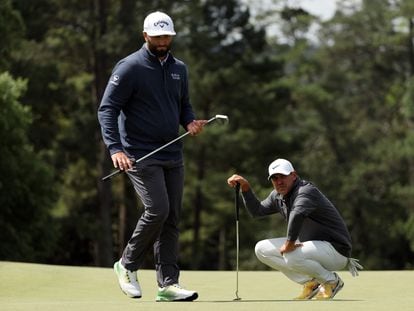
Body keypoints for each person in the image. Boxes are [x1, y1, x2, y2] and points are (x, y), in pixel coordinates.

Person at [97, 11, 207, 302]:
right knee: (158, 209)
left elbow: (184, 105)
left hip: (173, 152)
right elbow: (107, 109)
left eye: (166, 36)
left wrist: (190, 122)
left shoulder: (179, 69)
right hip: (139, 153)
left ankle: (168, 284)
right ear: (145, 36)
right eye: (157, 36)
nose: (162, 41)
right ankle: (127, 264)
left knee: (171, 217)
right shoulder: (130, 67)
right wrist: (115, 148)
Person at [227, 158, 362, 300]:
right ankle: (311, 283)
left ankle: (331, 281)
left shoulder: (306, 191)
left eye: (283, 177)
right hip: (313, 247)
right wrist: (245, 188)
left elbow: (298, 213)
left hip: (336, 250)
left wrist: (290, 243)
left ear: (294, 175)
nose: (279, 182)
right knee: (261, 249)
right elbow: (257, 211)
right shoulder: (277, 196)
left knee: (291, 255)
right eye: (274, 178)